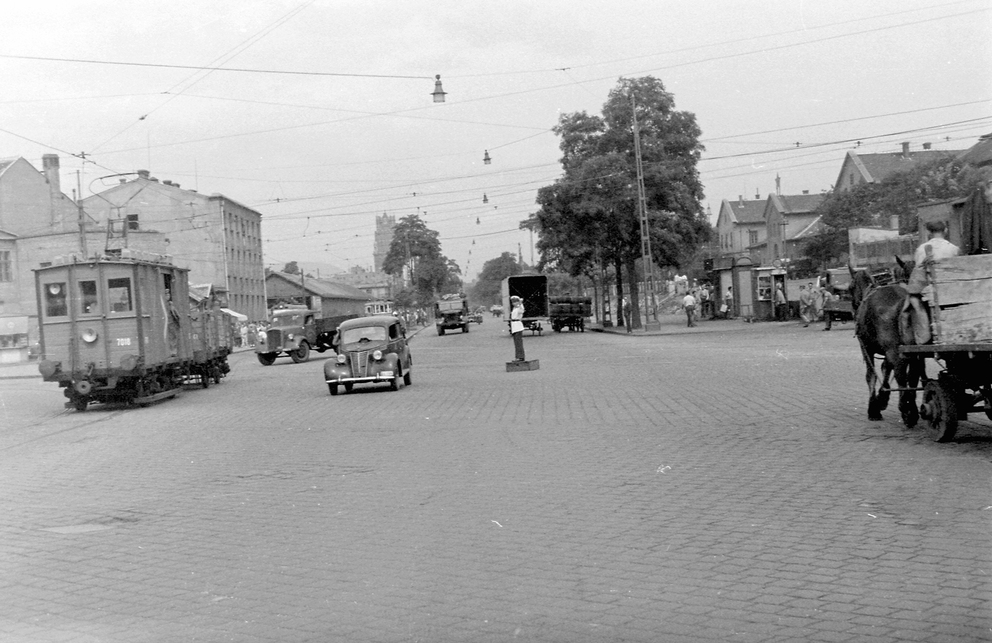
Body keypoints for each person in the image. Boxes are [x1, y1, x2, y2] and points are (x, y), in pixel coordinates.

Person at [905, 220, 960, 343]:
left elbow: (919, 272)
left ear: (928, 232)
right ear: (945, 231)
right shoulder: (954, 249)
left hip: (932, 293)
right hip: (952, 292)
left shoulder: (921, 249)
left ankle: (922, 335)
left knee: (913, 300)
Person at [509, 295, 526, 361]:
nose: (514, 303)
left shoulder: (519, 308)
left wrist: (520, 303)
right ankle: (518, 356)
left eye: (515, 302)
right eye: (513, 302)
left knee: (518, 343)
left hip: (518, 326)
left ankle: (520, 357)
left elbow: (522, 310)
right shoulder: (514, 309)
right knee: (516, 343)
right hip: (514, 326)